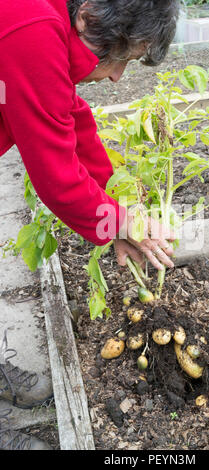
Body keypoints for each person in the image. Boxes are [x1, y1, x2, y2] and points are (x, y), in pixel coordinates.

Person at [0, 0, 179, 450]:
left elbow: (73, 120)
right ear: (90, 18)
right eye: (124, 59)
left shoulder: (48, 24)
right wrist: (119, 222)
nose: (117, 77)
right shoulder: (32, 28)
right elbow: (56, 177)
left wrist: (116, 212)